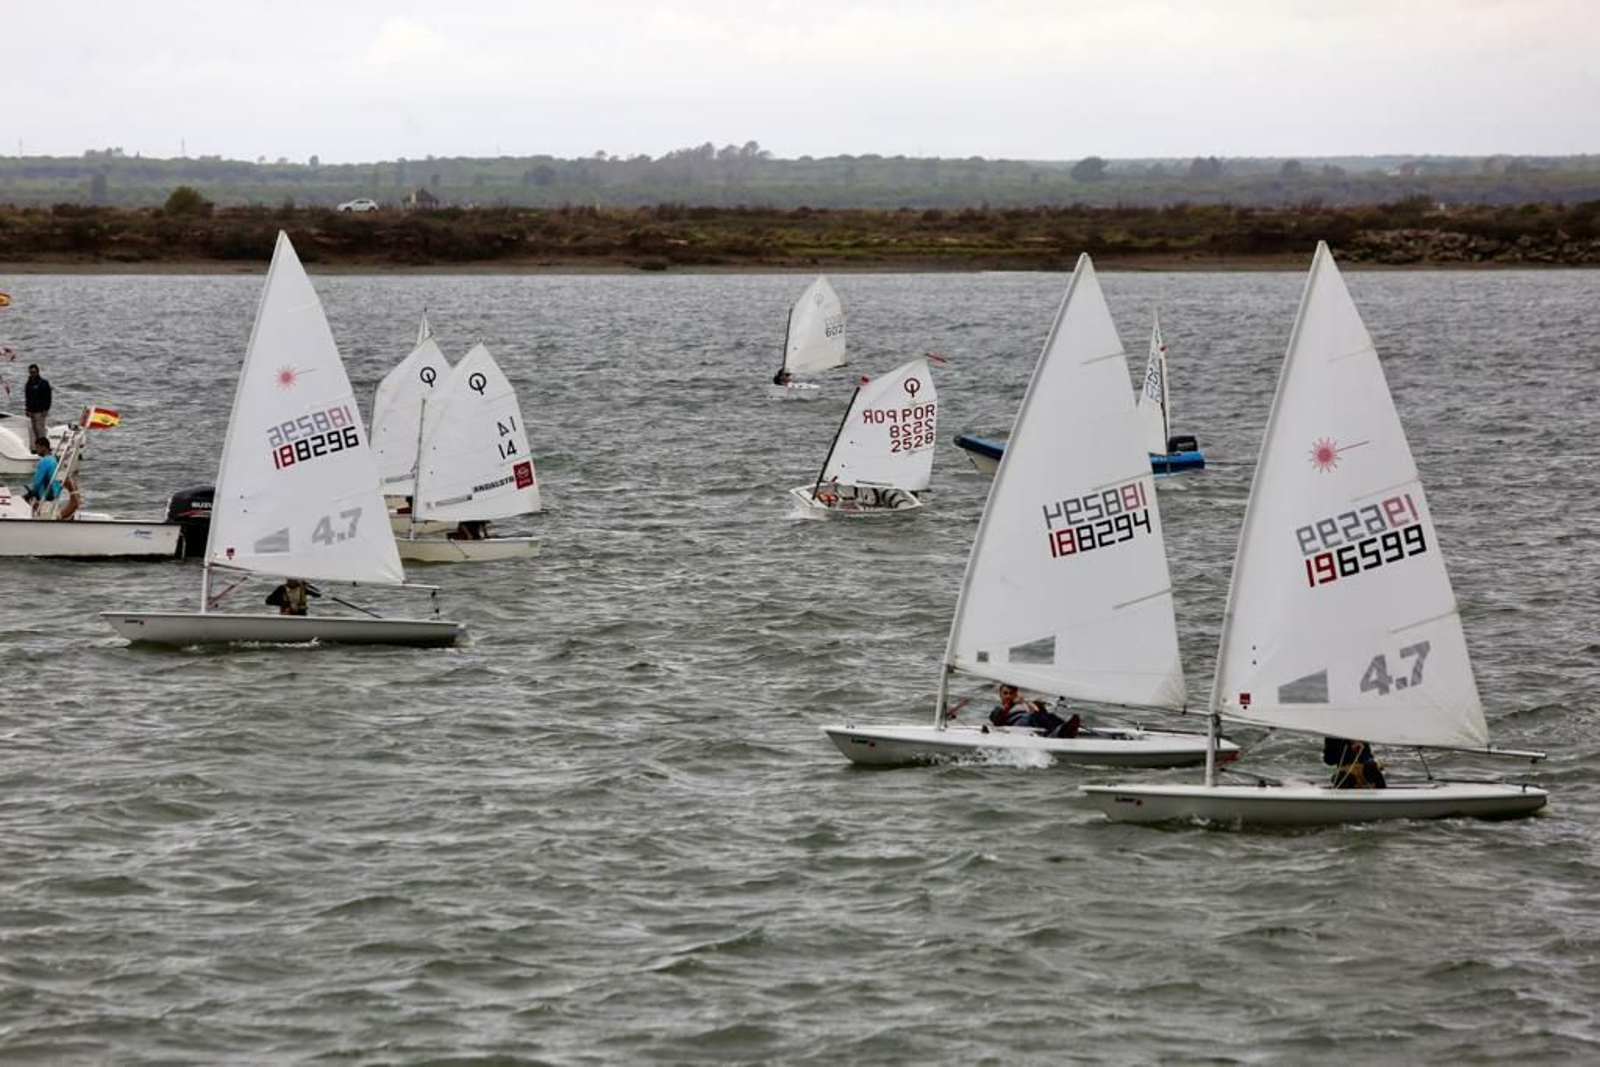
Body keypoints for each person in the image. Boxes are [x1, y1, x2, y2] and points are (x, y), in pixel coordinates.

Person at [988, 682, 1080, 738]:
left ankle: (1064, 729)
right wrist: (1012, 704)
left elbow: (1042, 717)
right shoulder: (998, 709)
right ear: (1000, 695)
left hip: (1031, 726)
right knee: (1031, 716)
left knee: (1047, 716)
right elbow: (996, 720)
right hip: (1014, 730)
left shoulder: (1024, 705)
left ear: (1015, 694)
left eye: (1011, 693)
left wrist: (1040, 706)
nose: (1008, 696)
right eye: (1005, 693)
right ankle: (1061, 731)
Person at [1323, 737, 1387, 789]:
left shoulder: (1359, 733)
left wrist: (1360, 750)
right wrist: (1349, 748)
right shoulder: (1333, 736)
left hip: (1363, 769)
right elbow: (1329, 761)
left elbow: (1368, 756)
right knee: (1343, 779)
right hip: (1346, 771)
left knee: (1373, 768)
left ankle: (1384, 796)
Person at [24, 364, 51, 446]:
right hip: (32, 411)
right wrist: (27, 409)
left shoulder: (44, 383)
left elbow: (48, 397)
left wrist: (46, 409)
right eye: (31, 372)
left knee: (40, 430)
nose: (32, 374)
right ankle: (38, 447)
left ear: (38, 372)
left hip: (41, 411)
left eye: (34, 372)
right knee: (35, 430)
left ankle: (44, 447)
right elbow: (27, 398)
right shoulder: (28, 384)